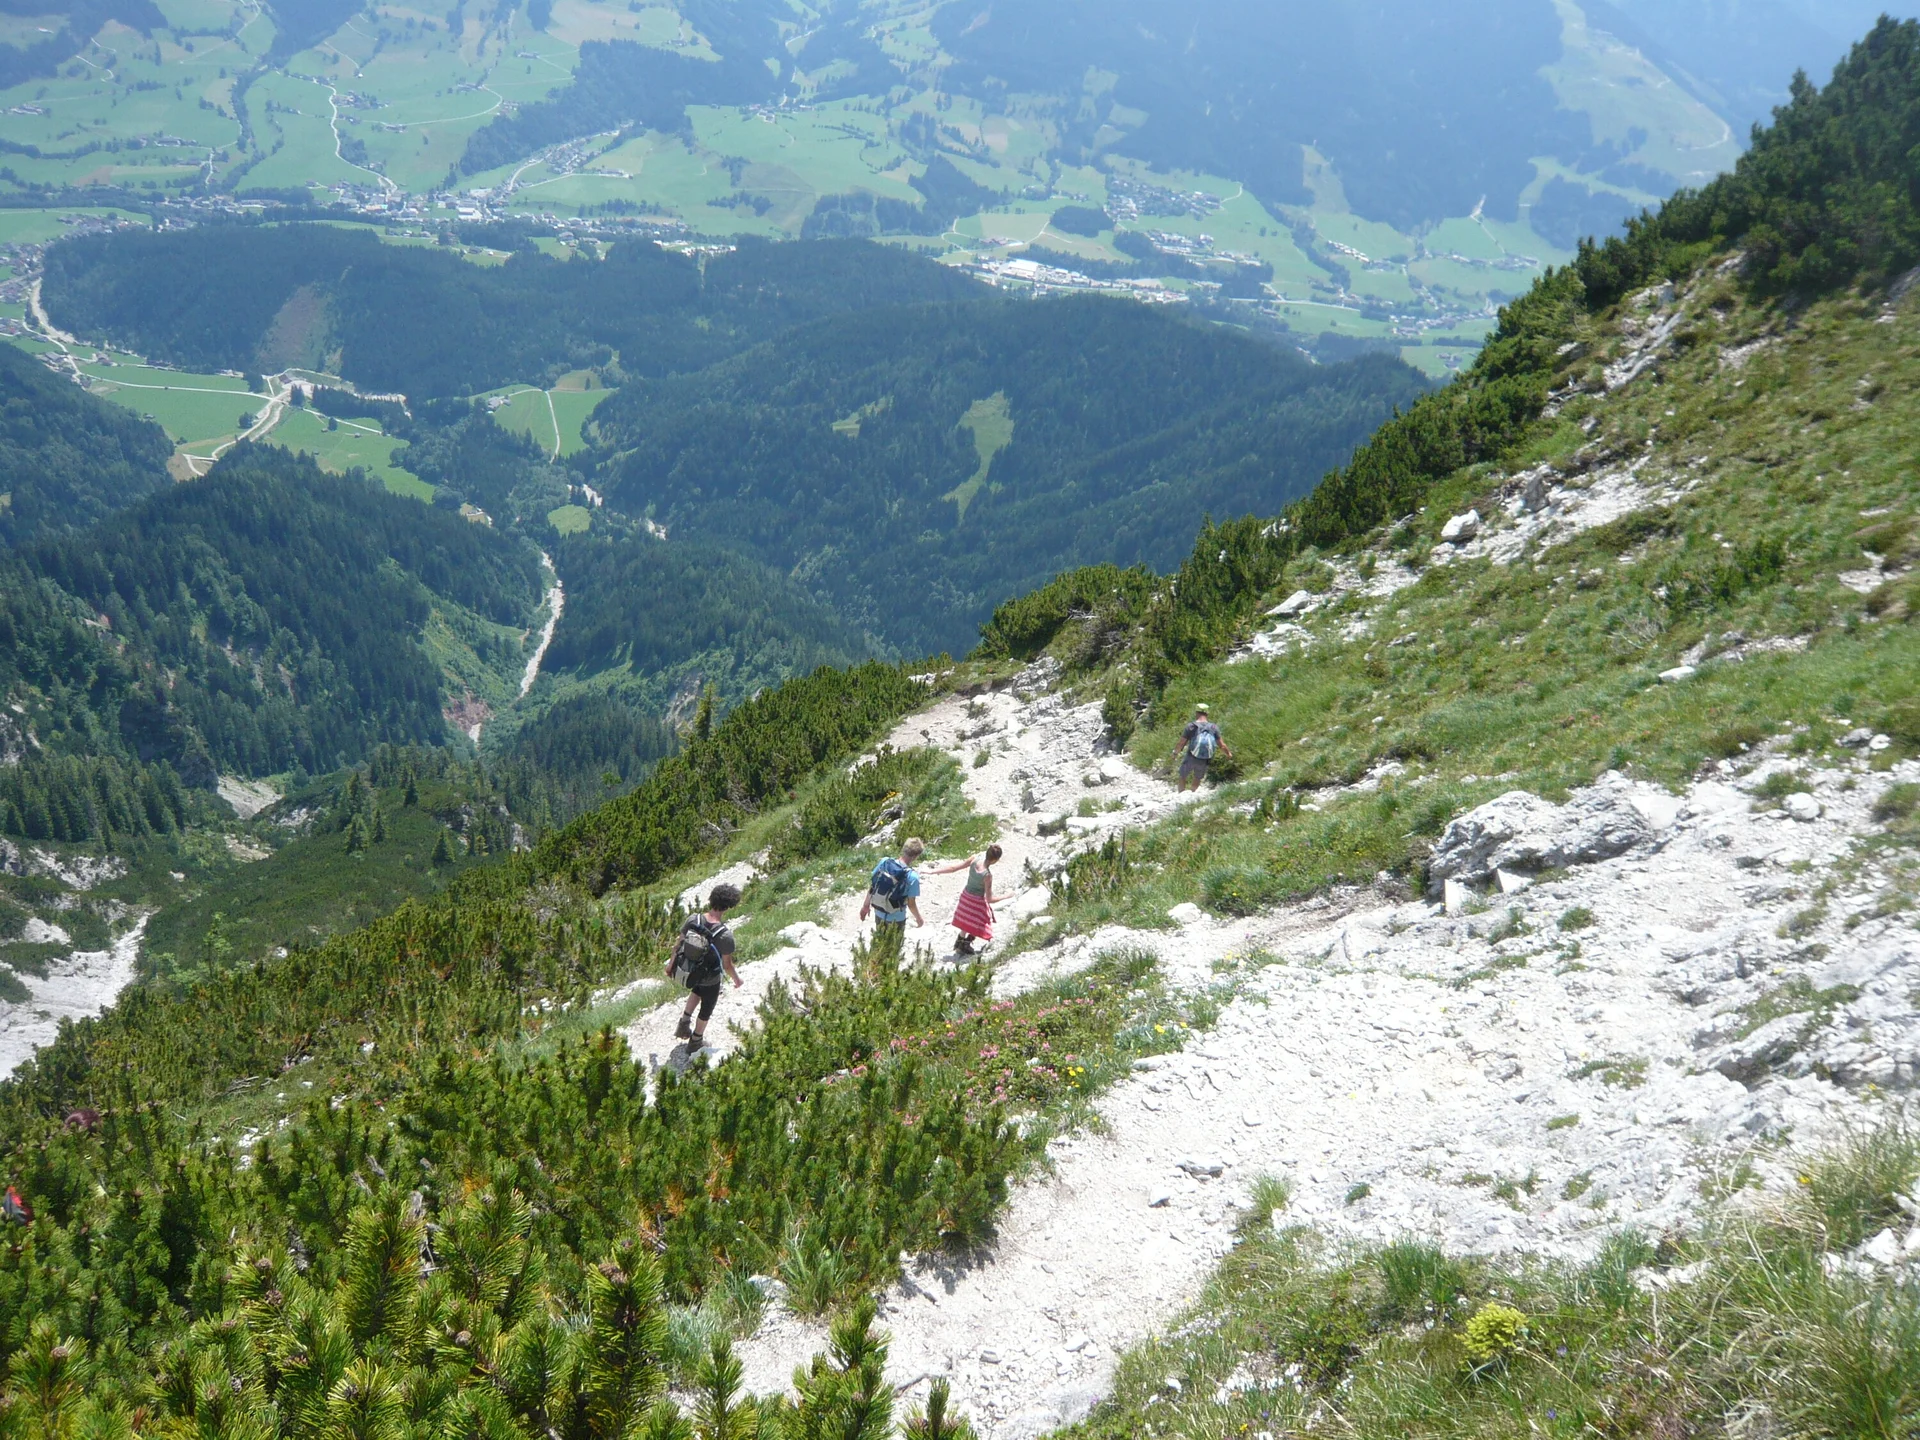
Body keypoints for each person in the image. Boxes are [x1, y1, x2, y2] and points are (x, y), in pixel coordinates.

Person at [667, 883, 743, 1055]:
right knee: (707, 1008)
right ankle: (696, 1040)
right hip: (711, 977)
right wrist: (737, 980)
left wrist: (670, 965)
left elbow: (678, 944)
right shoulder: (724, 935)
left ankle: (684, 1023)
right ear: (728, 906)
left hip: (692, 971)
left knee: (696, 991)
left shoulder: (694, 919)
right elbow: (727, 965)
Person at [930, 843, 1004, 954]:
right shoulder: (987, 875)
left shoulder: (974, 859)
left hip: (966, 896)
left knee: (967, 920)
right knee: (982, 920)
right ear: (995, 860)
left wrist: (933, 871)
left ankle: (960, 940)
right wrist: (1006, 896)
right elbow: (989, 899)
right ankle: (966, 943)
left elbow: (953, 868)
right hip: (977, 901)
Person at [860, 837, 925, 929]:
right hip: (897, 918)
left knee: (879, 940)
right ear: (915, 856)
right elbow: (911, 904)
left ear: (904, 849)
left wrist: (865, 906)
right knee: (894, 942)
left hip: (879, 912)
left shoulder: (885, 862)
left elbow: (873, 885)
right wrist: (919, 919)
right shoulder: (912, 876)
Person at [1171, 702, 1232, 792]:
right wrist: (1229, 754)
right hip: (1204, 757)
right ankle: (1193, 793)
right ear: (1207, 713)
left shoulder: (1191, 726)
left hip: (1191, 754)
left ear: (1197, 713)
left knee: (1183, 775)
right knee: (1198, 777)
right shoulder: (1213, 727)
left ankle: (1181, 794)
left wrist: (1175, 753)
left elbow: (1181, 743)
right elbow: (1222, 745)